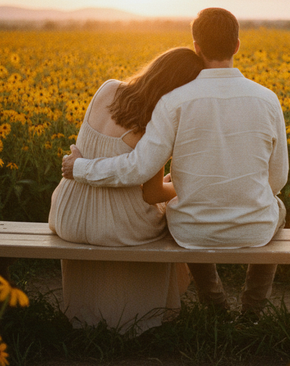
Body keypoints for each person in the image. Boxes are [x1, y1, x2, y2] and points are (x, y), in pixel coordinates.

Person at [62, 8, 289, 315]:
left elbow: (140, 168)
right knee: (279, 208)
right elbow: (278, 179)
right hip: (254, 229)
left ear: (196, 46)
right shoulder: (267, 99)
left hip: (191, 232)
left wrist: (80, 168)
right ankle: (252, 311)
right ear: (237, 45)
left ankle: (215, 305)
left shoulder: (173, 102)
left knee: (185, 211)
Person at [49, 47, 203, 332]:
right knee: (173, 217)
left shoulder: (107, 89)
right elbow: (152, 194)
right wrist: (182, 187)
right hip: (115, 226)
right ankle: (147, 315)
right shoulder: (157, 122)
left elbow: (102, 158)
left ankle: (87, 315)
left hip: (67, 214)